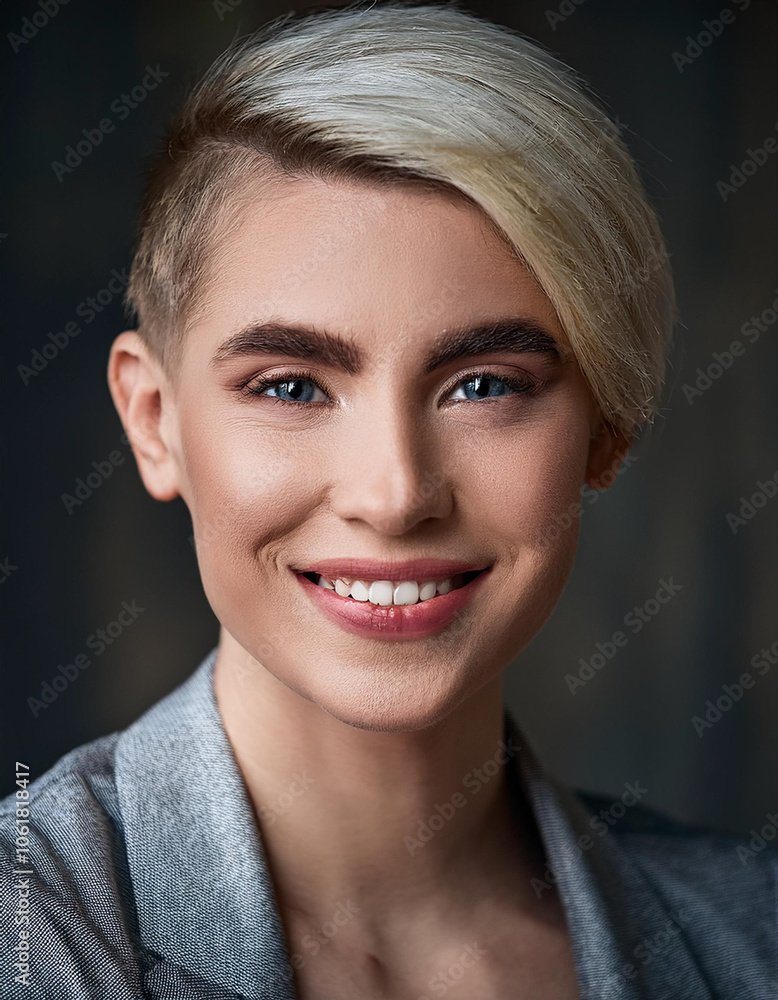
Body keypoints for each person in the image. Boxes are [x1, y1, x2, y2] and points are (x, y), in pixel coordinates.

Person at [2, 3, 775, 998]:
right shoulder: (30, 936)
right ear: (155, 422)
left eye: (483, 385)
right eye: (291, 387)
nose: (396, 494)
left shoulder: (751, 932)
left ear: (607, 427)